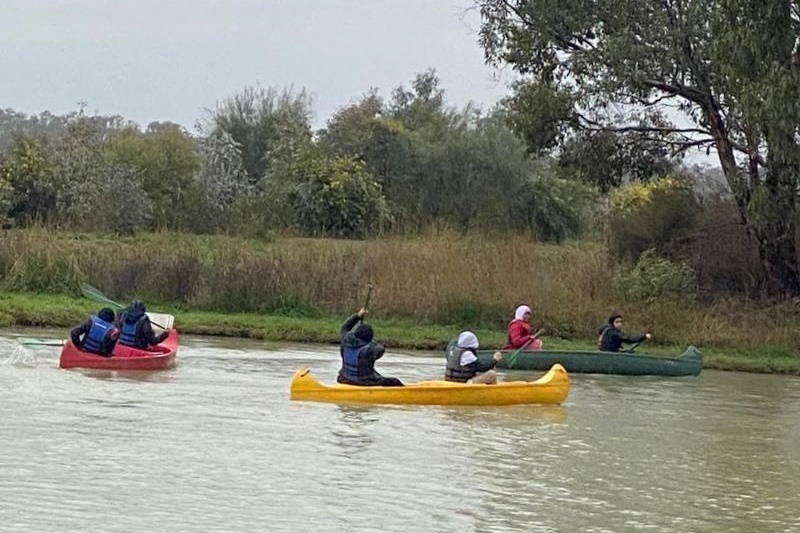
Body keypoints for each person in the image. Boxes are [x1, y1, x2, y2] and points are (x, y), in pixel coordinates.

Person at [337, 307, 403, 387]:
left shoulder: (346, 340)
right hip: (363, 383)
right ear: (368, 339)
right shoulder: (369, 350)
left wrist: (358, 316)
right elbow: (381, 349)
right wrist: (371, 342)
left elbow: (345, 327)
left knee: (377, 374)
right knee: (395, 381)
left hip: (344, 379)